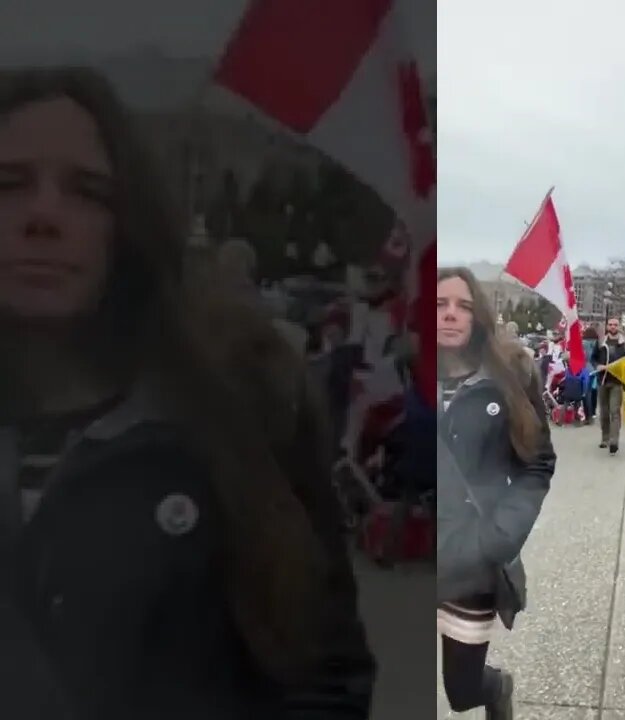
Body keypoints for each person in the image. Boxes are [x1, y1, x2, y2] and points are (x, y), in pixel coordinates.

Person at [0, 66, 373, 719]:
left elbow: (321, 675)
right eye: (9, 184)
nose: (43, 217)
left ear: (129, 223)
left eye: (87, 192)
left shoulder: (245, 410)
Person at [435, 267, 555, 719]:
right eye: (438, 305)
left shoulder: (509, 376)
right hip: (405, 550)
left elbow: (539, 462)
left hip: (472, 559)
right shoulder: (394, 367)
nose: (449, 315)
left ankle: (497, 687)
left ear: (478, 316)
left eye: (462, 306)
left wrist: (502, 534)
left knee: (463, 691)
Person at [590, 317, 625, 454]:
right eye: (610, 325)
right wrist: (598, 366)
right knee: (604, 411)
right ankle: (605, 438)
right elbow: (593, 358)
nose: (613, 327)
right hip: (602, 380)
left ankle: (614, 441)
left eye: (615, 325)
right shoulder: (601, 342)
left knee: (614, 411)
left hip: (617, 382)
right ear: (607, 326)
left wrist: (623, 368)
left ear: (618, 326)